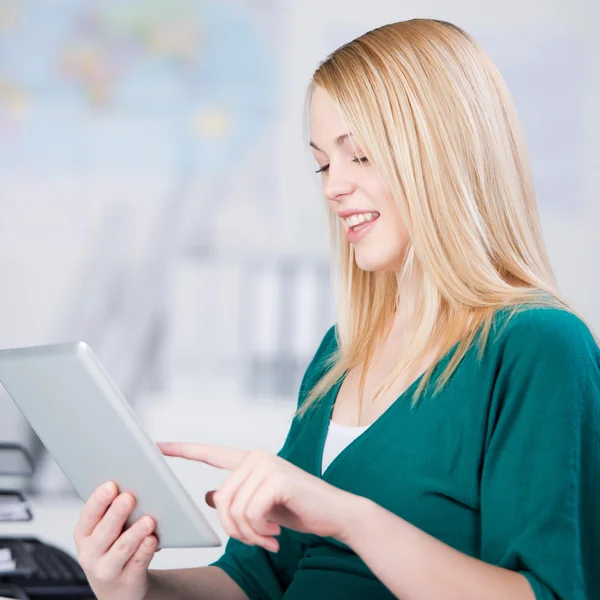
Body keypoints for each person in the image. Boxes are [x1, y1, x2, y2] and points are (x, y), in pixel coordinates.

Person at [72, 18, 600, 600]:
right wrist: (135, 585)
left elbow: (551, 592)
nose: (332, 188)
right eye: (324, 164)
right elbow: (256, 580)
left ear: (443, 155)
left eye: (361, 157)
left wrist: (350, 518)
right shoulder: (343, 351)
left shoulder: (538, 346)